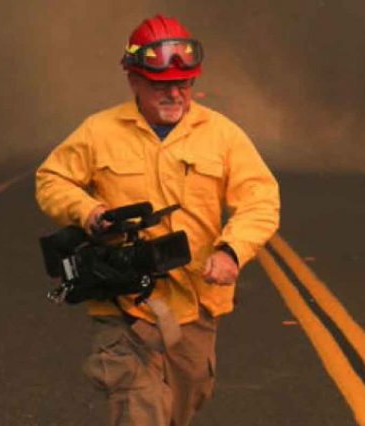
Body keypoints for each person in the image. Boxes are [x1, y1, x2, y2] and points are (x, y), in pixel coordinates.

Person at [35, 14, 281, 426]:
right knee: (140, 410)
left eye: (182, 85)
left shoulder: (222, 135)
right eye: (160, 86)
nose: (174, 95)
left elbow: (261, 198)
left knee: (186, 401)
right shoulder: (99, 132)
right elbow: (51, 178)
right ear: (133, 81)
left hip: (195, 304)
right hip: (124, 302)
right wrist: (88, 211)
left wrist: (232, 250)